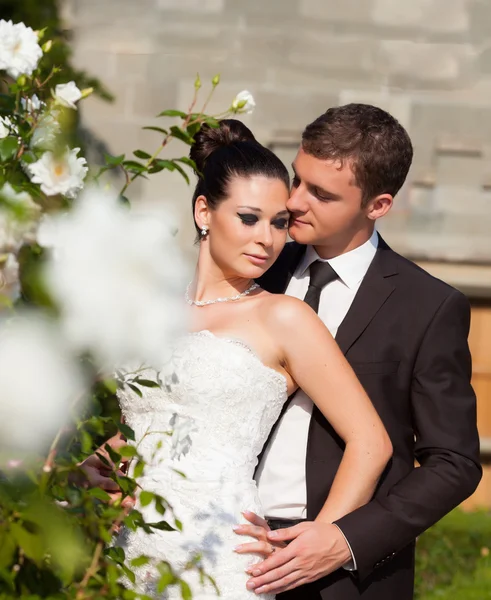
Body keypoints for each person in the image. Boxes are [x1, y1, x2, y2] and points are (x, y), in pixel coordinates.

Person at [111, 119, 392, 599]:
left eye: (279, 222)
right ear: (204, 211)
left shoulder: (283, 316)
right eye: (248, 218)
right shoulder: (147, 311)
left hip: (219, 554)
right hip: (123, 546)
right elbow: (148, 426)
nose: (267, 238)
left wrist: (323, 538)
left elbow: (371, 441)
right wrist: (95, 467)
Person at [235, 104, 482, 600]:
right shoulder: (251, 269)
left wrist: (346, 540)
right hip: (229, 545)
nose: (295, 202)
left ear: (378, 205)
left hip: (346, 580)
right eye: (297, 179)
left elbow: (454, 462)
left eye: (321, 194)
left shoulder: (429, 306)